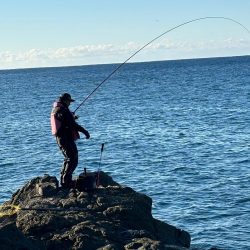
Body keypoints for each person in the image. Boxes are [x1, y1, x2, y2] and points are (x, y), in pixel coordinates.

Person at [50, 93, 90, 188]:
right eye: (69, 101)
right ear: (65, 101)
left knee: (69, 158)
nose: (70, 104)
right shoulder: (62, 110)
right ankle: (66, 182)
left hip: (63, 137)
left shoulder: (58, 109)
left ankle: (65, 180)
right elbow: (72, 124)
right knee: (72, 158)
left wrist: (72, 117)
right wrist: (85, 132)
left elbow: (65, 121)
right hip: (64, 138)